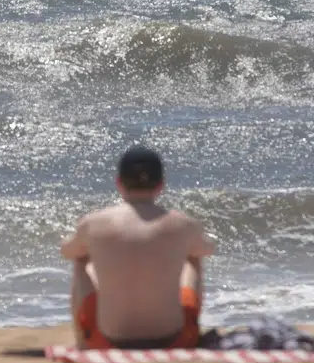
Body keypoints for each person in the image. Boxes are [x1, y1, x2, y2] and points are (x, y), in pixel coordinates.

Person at [61, 146, 216, 350]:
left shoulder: (93, 223)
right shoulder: (183, 224)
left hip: (106, 341)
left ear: (119, 183)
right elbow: (207, 249)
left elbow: (67, 251)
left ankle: (82, 342)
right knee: (192, 257)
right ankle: (192, 330)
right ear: (161, 185)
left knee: (81, 259)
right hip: (175, 340)